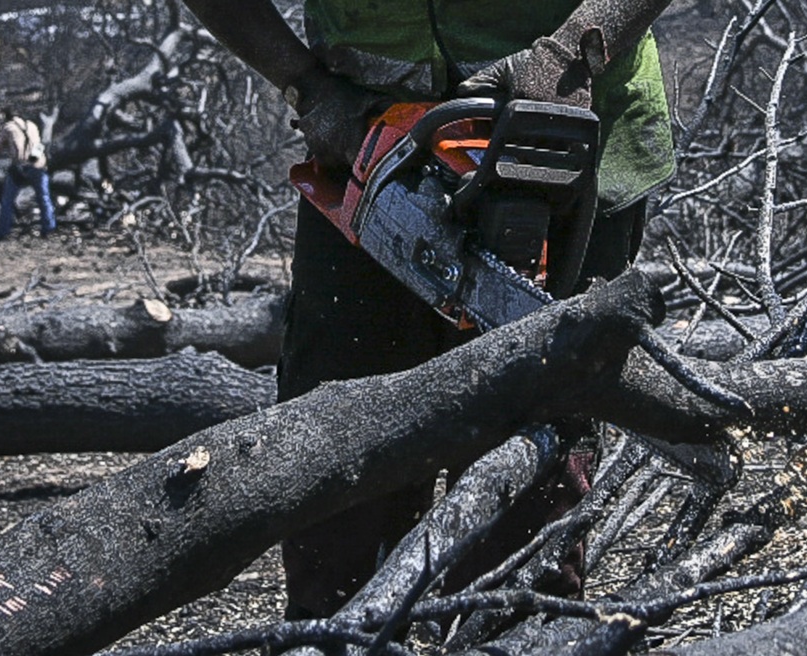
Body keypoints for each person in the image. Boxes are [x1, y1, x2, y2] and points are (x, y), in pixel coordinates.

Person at [181, 0, 676, 619]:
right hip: (365, 139)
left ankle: (510, 628)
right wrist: (305, 85)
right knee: (339, 455)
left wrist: (570, 51)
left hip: (562, 130)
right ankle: (338, 630)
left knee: (531, 455)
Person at [0, 110, 55, 240]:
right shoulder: (32, 124)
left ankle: (2, 232)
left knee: (7, 200)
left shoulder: (8, 127)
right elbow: (39, 145)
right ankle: (49, 229)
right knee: (44, 198)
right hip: (38, 164)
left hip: (20, 167)